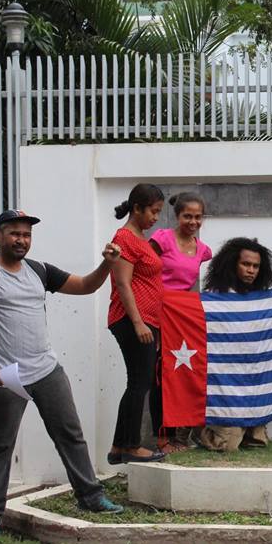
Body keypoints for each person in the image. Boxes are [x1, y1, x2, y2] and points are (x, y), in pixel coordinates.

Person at [0, 209, 125, 538]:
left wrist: (107, 263)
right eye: (15, 233)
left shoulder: (39, 271)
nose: (22, 240)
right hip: (7, 375)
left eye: (27, 235)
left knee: (70, 434)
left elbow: (87, 286)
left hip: (46, 369)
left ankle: (90, 496)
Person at [197, 237, 272, 451]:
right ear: (233, 264)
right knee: (228, 444)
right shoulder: (215, 298)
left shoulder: (261, 299)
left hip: (251, 380)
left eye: (256, 266)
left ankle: (251, 430)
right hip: (224, 385)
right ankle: (202, 430)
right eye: (246, 264)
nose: (251, 270)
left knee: (258, 441)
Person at [107, 183, 166, 464]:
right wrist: (138, 322)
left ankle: (120, 447)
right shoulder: (125, 238)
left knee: (137, 382)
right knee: (139, 382)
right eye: (153, 212)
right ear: (137, 208)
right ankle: (130, 445)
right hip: (133, 320)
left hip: (145, 320)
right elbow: (122, 282)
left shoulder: (140, 238)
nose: (155, 217)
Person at [149, 192, 213, 453]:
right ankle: (160, 437)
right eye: (188, 216)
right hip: (156, 312)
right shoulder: (161, 239)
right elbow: (143, 271)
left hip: (182, 317)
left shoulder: (203, 250)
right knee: (158, 376)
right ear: (177, 216)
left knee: (178, 374)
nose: (193, 221)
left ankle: (178, 437)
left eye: (198, 217)